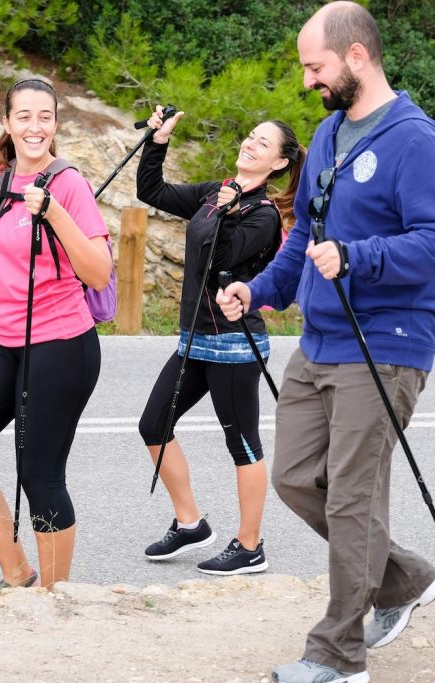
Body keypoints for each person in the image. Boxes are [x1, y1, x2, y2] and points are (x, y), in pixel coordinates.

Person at [217, 3, 435, 681]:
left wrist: (360, 257)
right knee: (296, 476)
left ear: (356, 57)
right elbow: (303, 236)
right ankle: (404, 578)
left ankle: (337, 656)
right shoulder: (327, 135)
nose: (307, 81)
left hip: (387, 344)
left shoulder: (416, 140)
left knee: (353, 496)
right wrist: (258, 290)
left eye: (314, 65)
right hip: (321, 342)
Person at [0, 78, 112, 591]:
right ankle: (18, 575)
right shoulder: (1, 180)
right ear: (7, 124)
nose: (35, 126)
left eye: (45, 116)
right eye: (24, 116)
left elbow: (98, 272)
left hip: (61, 346)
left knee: (40, 476)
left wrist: (53, 213)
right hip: (5, 339)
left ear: (56, 123)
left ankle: (55, 599)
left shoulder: (68, 182)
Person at [135, 104, 305, 575]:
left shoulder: (263, 214)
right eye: (250, 134)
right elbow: (151, 190)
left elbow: (220, 257)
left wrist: (228, 210)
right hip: (194, 339)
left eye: (262, 142)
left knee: (242, 444)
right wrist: (158, 142)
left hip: (234, 344)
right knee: (153, 425)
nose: (249, 143)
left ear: (279, 164)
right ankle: (191, 524)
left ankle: (250, 546)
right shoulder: (216, 193)